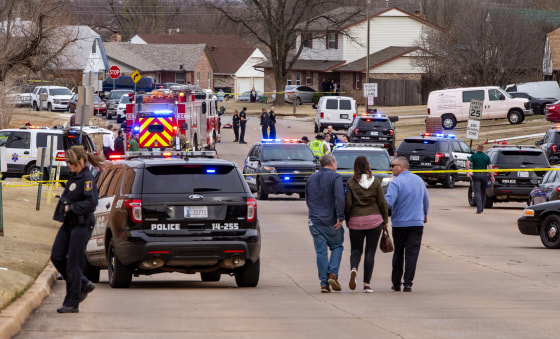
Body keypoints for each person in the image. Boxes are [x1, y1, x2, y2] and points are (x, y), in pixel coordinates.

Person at [51, 146, 105, 313]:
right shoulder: (75, 176)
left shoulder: (87, 179)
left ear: (81, 161)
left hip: (82, 224)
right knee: (57, 256)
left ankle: (72, 302)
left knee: (74, 263)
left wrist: (71, 208)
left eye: (72, 163)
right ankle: (82, 283)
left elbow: (91, 202)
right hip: (69, 224)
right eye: (68, 163)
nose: (69, 166)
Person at [345, 156, 389, 292]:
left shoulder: (351, 183)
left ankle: (354, 268)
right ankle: (366, 284)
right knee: (370, 252)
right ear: (368, 166)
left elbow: (348, 204)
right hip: (374, 220)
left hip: (356, 220)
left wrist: (348, 219)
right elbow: (382, 202)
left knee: (356, 250)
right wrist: (385, 220)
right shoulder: (375, 182)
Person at [385, 157, 429, 293]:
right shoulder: (419, 180)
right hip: (417, 222)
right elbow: (425, 200)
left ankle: (397, 282)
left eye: (393, 166)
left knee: (398, 253)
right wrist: (424, 215)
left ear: (401, 166)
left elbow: (388, 203)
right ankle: (408, 283)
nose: (391, 168)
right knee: (412, 253)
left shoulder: (395, 183)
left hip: (399, 224)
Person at [305, 154, 345, 293]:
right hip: (331, 221)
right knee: (337, 246)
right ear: (332, 163)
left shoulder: (311, 178)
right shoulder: (336, 177)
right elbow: (340, 198)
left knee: (321, 252)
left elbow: (307, 199)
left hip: (315, 221)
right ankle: (332, 274)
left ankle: (324, 284)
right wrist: (340, 217)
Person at [466, 145, 494, 214]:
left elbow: (467, 163)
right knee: (483, 192)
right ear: (483, 150)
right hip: (484, 176)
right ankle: (482, 208)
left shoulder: (474, 156)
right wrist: (492, 176)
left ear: (477, 149)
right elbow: (490, 167)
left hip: (476, 175)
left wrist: (467, 172)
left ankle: (479, 208)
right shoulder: (486, 156)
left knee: (477, 192)